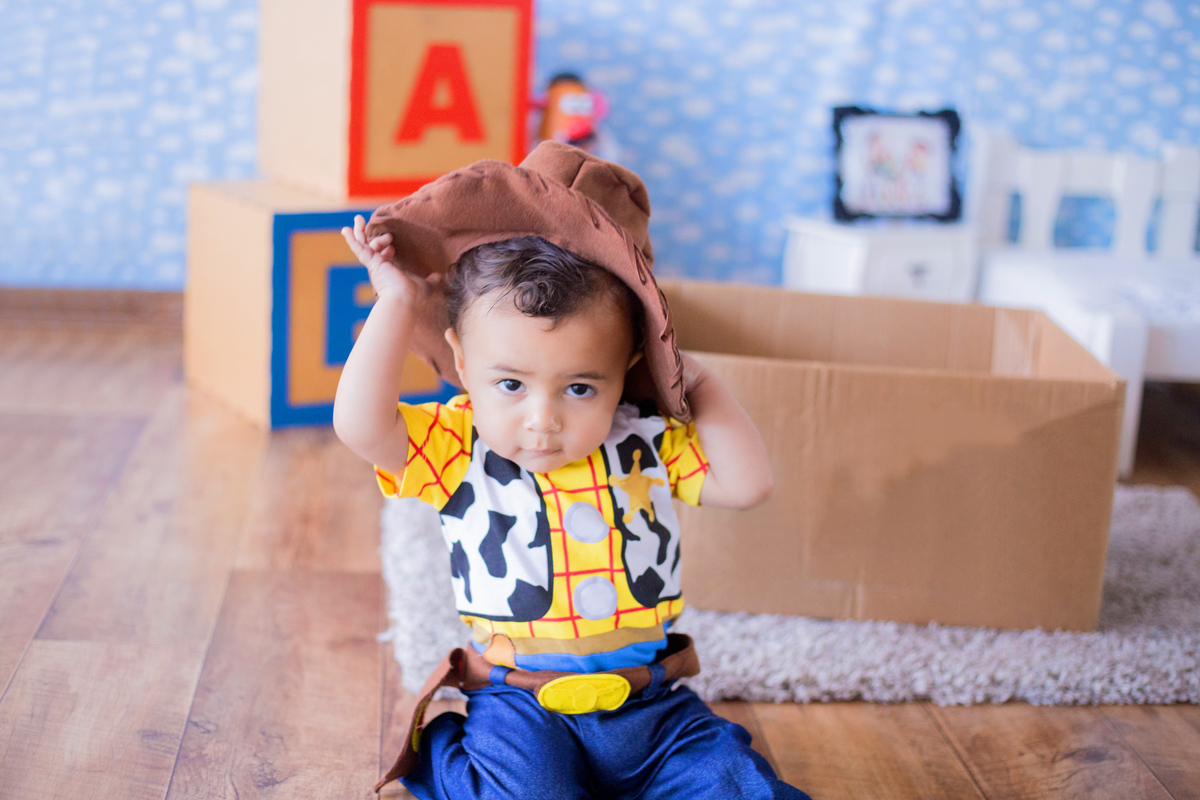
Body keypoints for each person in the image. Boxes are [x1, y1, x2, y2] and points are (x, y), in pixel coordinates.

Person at [333, 142, 810, 800]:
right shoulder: (459, 447)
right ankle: (443, 758)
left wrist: (695, 381)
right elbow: (361, 427)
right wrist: (395, 301)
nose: (543, 420)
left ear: (627, 369)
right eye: (510, 384)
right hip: (522, 705)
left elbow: (749, 484)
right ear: (463, 363)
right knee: (528, 792)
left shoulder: (645, 441)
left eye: (580, 387)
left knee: (736, 784)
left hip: (650, 707)